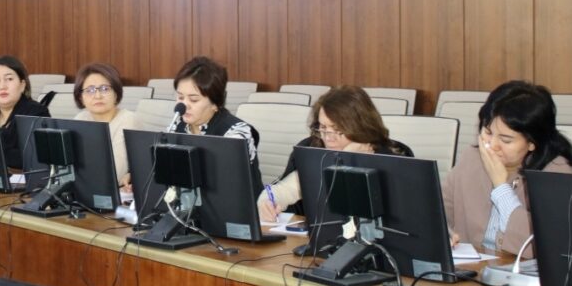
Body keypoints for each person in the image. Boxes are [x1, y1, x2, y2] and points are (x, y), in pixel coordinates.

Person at [443, 80, 572, 257]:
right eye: (488, 132)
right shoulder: (472, 158)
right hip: (472, 268)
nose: (492, 145)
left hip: (521, 271)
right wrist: (445, 232)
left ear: (532, 143)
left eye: (506, 140)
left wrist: (501, 188)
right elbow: (439, 211)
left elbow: (543, 246)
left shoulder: (557, 174)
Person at [257, 85, 414, 223]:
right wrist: (267, 202)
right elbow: (284, 191)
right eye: (323, 128)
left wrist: (348, 160)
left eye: (338, 129)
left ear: (360, 126)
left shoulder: (394, 157)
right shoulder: (309, 148)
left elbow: (396, 217)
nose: (328, 138)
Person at [170, 56, 262, 198]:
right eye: (180, 97)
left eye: (193, 99)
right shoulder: (177, 124)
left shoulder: (236, 133)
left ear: (215, 103)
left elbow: (229, 185)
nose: (184, 105)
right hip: (190, 204)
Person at [72, 62, 138, 190]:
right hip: (85, 190)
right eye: (90, 90)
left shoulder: (128, 120)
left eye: (105, 89)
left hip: (115, 193)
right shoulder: (81, 118)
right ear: (81, 97)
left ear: (116, 93)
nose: (98, 96)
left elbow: (115, 173)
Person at [0, 55, 50, 170]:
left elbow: (32, 158)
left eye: (9, 79)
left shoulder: (36, 113)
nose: (2, 86)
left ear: (22, 85)